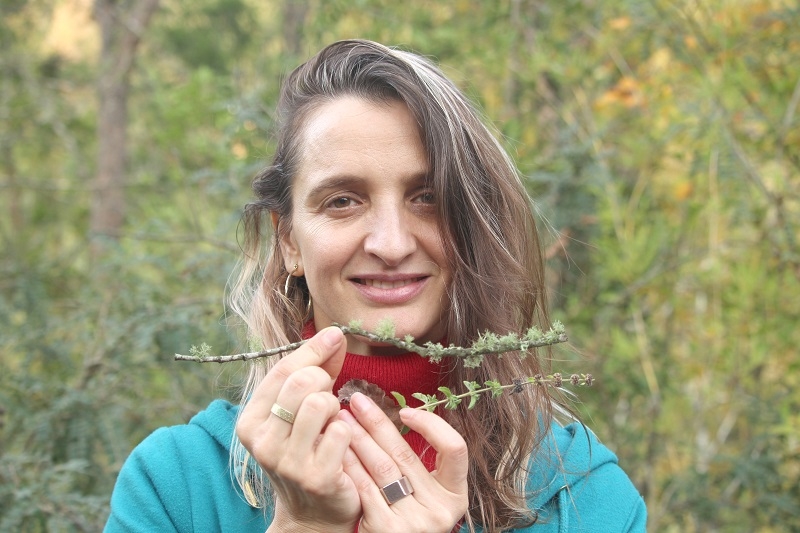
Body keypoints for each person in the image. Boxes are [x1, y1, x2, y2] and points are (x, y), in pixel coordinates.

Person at [105, 39, 646, 532]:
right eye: (343, 200)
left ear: (473, 226)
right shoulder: (177, 489)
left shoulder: (584, 499)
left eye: (427, 197)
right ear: (289, 241)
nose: (390, 244)